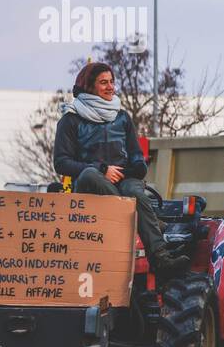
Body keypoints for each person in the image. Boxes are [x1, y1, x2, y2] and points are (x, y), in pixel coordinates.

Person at [53, 62, 190, 277]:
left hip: (124, 180)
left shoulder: (122, 117)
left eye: (112, 82)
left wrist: (127, 171)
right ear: (89, 86)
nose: (110, 87)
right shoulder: (71, 119)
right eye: (103, 83)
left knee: (135, 192)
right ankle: (148, 220)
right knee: (90, 175)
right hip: (91, 185)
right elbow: (61, 162)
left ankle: (161, 259)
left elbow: (137, 160)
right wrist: (102, 169)